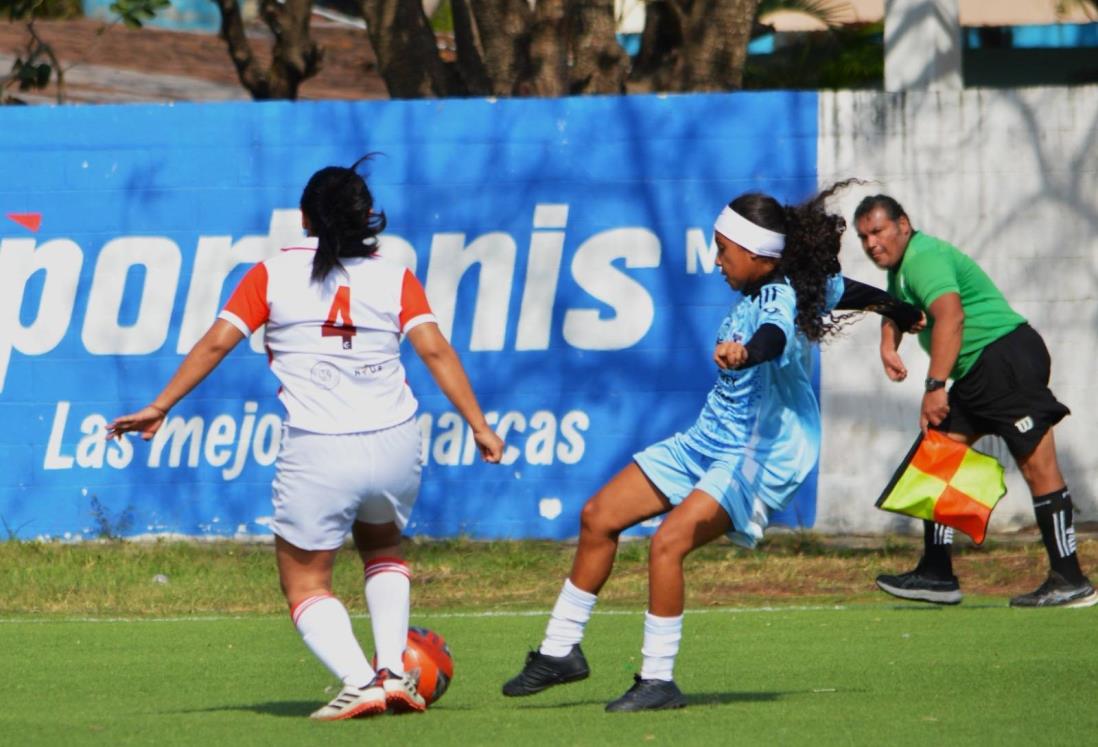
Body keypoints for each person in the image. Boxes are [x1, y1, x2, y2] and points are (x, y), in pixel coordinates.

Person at [501, 185, 923, 712]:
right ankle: (560, 651)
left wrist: (747, 353)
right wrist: (900, 309)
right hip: (706, 441)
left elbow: (770, 336)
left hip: (754, 454)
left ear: (756, 255)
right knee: (598, 516)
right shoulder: (796, 284)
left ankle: (657, 679)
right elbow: (848, 289)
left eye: (723, 250)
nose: (717, 260)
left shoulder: (779, 297)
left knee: (667, 545)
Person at [108, 158, 504, 720]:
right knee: (384, 548)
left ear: (303, 217)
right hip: (395, 440)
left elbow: (218, 343)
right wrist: (479, 425)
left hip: (320, 445)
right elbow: (435, 350)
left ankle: (360, 680)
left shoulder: (272, 273)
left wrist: (160, 405)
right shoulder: (395, 275)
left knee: (305, 581)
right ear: (369, 217)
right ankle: (394, 672)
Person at [853, 194, 1096, 609]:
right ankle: (936, 573)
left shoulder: (922, 258)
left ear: (903, 225)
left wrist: (935, 386)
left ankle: (1069, 579)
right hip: (980, 370)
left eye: (877, 231)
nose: (871, 243)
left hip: (1003, 359)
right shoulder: (902, 270)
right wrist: (887, 343)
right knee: (938, 454)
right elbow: (897, 308)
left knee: (1038, 467)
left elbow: (951, 316)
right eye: (863, 237)